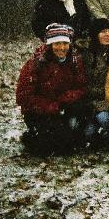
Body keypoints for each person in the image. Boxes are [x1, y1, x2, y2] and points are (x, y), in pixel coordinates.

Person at [16, 24, 89, 155]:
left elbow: (81, 87)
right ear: (49, 45)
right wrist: (49, 106)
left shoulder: (74, 61)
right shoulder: (35, 64)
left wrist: (66, 98)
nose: (61, 48)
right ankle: (35, 136)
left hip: (64, 107)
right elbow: (23, 96)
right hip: (40, 111)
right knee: (52, 147)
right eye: (57, 43)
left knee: (72, 143)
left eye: (65, 43)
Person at [81, 18, 109, 147]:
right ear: (95, 34)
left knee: (104, 118)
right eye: (103, 31)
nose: (107, 34)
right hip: (89, 102)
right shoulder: (84, 53)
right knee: (87, 134)